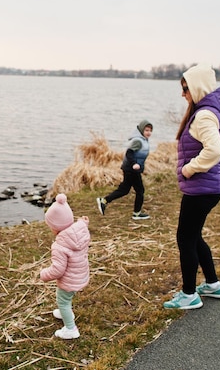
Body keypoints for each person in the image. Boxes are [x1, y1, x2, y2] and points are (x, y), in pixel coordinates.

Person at [163, 63, 220, 310]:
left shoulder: (203, 115)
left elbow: (215, 148)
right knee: (193, 236)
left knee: (185, 239)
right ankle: (212, 284)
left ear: (197, 87)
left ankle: (189, 294)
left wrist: (189, 168)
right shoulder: (210, 112)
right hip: (207, 189)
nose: (183, 94)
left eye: (186, 88)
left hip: (201, 190)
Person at [40, 193, 91, 339]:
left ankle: (70, 329)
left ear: (55, 228)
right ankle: (65, 312)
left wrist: (44, 274)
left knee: (62, 301)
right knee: (66, 300)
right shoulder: (79, 231)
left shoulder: (60, 245)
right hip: (80, 274)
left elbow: (58, 270)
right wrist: (83, 222)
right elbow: (80, 226)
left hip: (69, 279)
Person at [96, 120, 153, 220]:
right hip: (131, 170)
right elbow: (129, 153)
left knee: (125, 190)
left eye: (150, 130)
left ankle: (104, 201)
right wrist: (134, 164)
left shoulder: (143, 140)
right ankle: (136, 214)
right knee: (139, 190)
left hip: (131, 170)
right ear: (141, 130)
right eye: (146, 130)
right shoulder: (138, 141)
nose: (148, 132)